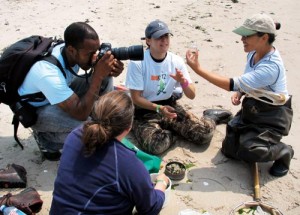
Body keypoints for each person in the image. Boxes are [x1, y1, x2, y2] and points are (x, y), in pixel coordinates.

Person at [186, 13, 294, 177]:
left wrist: (198, 69)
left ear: (264, 37)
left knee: (249, 149)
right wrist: (240, 92)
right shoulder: (253, 52)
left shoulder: (271, 67)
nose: (242, 39)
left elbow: (230, 83)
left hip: (272, 117)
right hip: (253, 107)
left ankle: (284, 152)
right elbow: (247, 79)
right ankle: (230, 119)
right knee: (229, 150)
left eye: (247, 35)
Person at [50, 90, 169, 215]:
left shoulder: (75, 135)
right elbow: (151, 208)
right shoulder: (128, 163)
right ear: (129, 127)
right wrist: (161, 183)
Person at [18, 22, 124, 160]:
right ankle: (46, 139)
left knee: (106, 79)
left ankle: (99, 119)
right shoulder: (48, 73)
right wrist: (97, 74)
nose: (95, 56)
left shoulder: (70, 52)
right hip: (38, 110)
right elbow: (80, 114)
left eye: (96, 51)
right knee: (89, 129)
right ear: (72, 50)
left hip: (55, 94)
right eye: (90, 53)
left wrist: (108, 70)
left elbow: (97, 74)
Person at [125, 19, 232, 155]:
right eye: (159, 37)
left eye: (166, 36)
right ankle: (171, 130)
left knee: (204, 135)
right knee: (154, 146)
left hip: (169, 105)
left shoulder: (176, 61)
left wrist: (183, 82)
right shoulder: (138, 62)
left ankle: (211, 117)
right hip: (144, 110)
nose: (164, 40)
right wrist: (159, 109)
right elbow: (136, 98)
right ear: (148, 40)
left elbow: (191, 95)